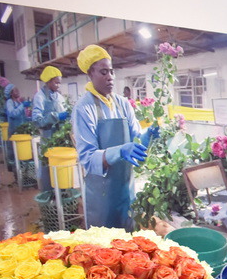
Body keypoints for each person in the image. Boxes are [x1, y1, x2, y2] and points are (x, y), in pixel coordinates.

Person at [72, 45, 158, 230]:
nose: (110, 76)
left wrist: (148, 135)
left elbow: (136, 139)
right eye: (103, 72)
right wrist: (119, 151)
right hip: (102, 195)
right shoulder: (84, 108)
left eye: (111, 71)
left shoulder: (122, 103)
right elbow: (87, 158)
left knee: (128, 237)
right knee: (105, 242)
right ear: (90, 74)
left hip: (126, 189)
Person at [31, 65, 69, 141]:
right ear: (48, 81)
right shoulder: (40, 96)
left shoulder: (58, 96)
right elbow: (37, 121)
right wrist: (56, 117)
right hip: (47, 138)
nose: (59, 86)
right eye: (56, 83)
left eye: (60, 83)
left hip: (61, 136)